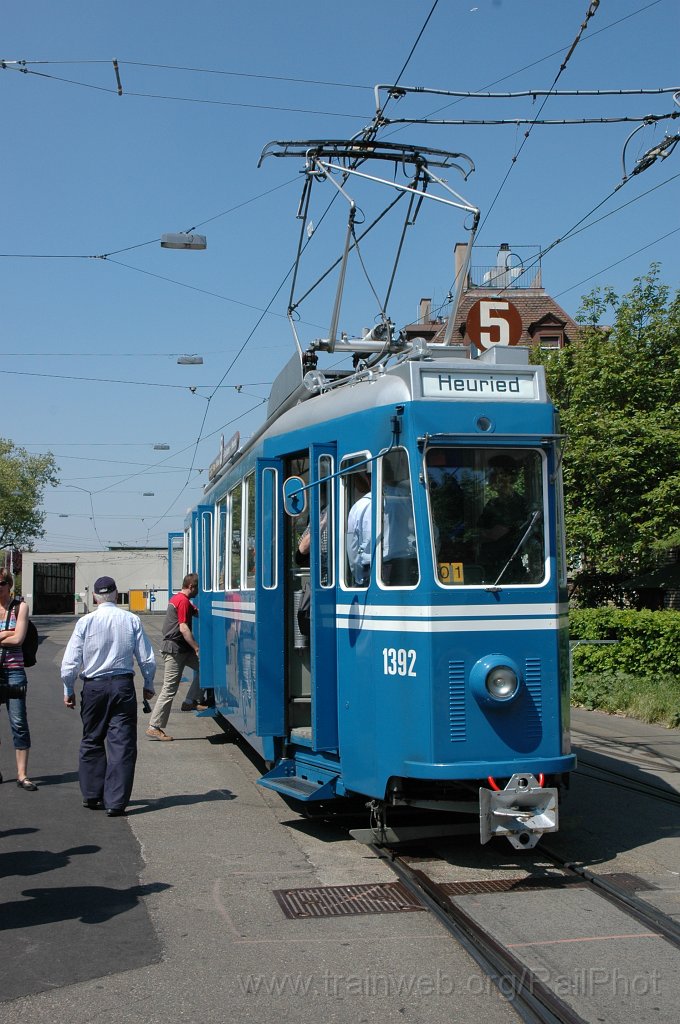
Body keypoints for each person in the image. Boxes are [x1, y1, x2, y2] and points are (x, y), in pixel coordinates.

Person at [61, 575, 156, 816]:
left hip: (94, 687)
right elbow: (146, 657)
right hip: (123, 686)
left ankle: (92, 794)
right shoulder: (131, 619)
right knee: (122, 744)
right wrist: (148, 682)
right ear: (116, 594)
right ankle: (115, 802)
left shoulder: (85, 622)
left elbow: (71, 661)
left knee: (92, 738)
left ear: (95, 597)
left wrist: (68, 688)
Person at [146, 572, 203, 740]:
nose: (198, 592)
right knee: (169, 689)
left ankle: (190, 701)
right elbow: (183, 628)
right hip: (175, 650)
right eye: (198, 588)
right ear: (191, 587)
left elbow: (194, 611)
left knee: (205, 669)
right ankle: (154, 726)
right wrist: (197, 647)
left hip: (182, 650)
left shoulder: (178, 599)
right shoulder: (183, 601)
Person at [0, 569, 37, 791]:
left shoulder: (20, 607)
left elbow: (19, 638)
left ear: (9, 584)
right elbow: (11, 636)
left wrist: (9, 635)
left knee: (19, 723)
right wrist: (7, 633)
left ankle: (22, 775)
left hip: (14, 671)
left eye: (2, 582)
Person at [478, 455, 530, 581]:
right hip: (489, 567)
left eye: (493, 473)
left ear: (506, 477)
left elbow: (495, 533)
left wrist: (474, 535)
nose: (489, 478)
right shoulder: (493, 503)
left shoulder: (515, 504)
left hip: (506, 569)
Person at [346, 471, 372, 586]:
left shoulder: (360, 507)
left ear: (368, 478)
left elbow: (354, 550)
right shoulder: (407, 501)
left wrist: (358, 577)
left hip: (370, 572)